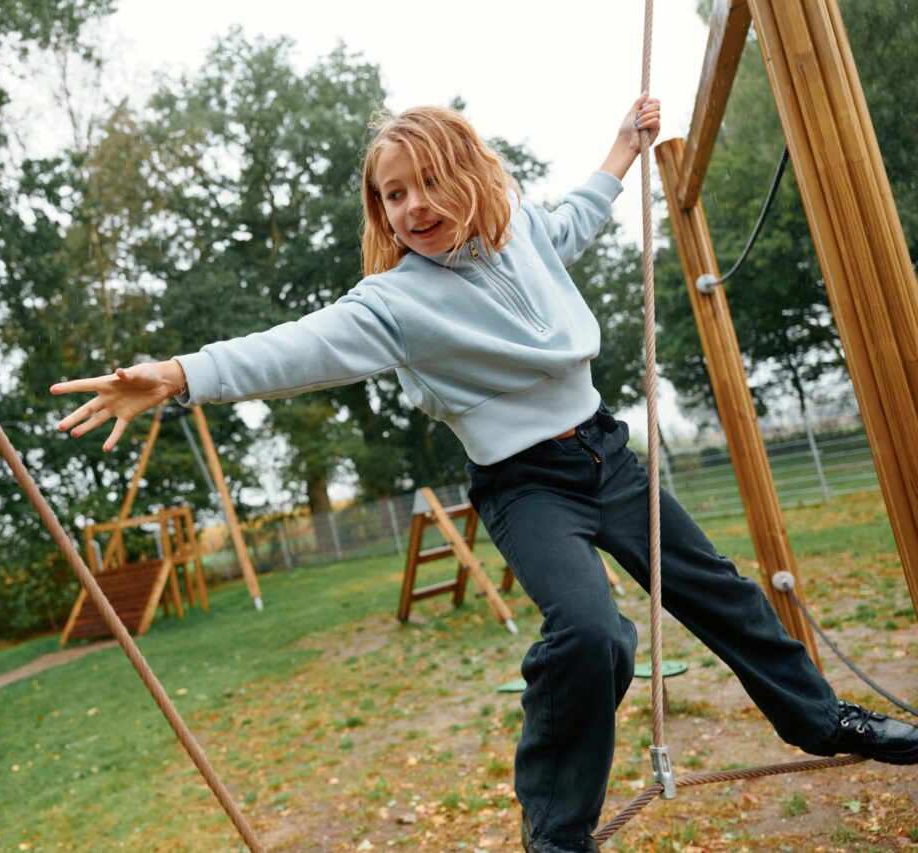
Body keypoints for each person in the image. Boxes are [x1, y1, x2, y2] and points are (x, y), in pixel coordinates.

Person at [50, 96, 918, 852]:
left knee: (716, 590)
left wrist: (621, 148)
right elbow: (294, 348)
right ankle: (558, 825)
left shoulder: (524, 229)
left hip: (605, 454)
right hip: (525, 484)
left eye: (428, 182)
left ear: (472, 174)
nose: (413, 207)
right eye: (393, 195)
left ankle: (818, 717)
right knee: (594, 635)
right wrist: (177, 373)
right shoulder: (395, 302)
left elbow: (576, 216)